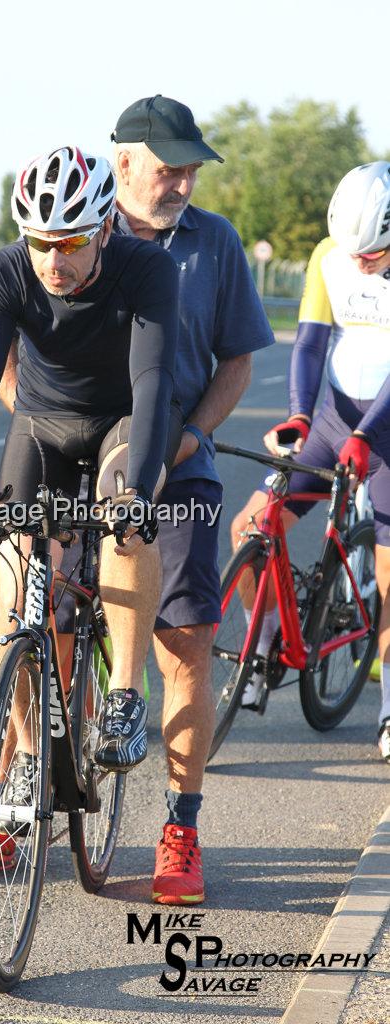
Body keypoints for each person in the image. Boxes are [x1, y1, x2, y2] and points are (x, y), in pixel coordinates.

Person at [0, 96, 275, 904]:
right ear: (122, 163)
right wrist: (44, 429)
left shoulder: (213, 244)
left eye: (190, 167)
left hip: (174, 466)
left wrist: (188, 440)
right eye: (168, 166)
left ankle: (180, 826)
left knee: (183, 638)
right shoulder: (66, 224)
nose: (182, 180)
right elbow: (3, 354)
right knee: (31, 617)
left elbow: (234, 365)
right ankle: (15, 800)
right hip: (71, 454)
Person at [0, 145, 181, 881]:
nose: (51, 261)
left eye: (67, 243)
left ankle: (122, 693)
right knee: (17, 588)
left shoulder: (146, 269)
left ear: (101, 231)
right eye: (38, 243)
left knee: (126, 521)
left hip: (123, 419)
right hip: (41, 425)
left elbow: (153, 378)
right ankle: (27, 757)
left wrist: (136, 489)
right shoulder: (4, 272)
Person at [230, 161, 390, 764]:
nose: (359, 262)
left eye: (373, 253)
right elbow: (311, 341)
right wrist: (300, 414)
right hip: (334, 420)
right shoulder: (331, 253)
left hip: (389, 432)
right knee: (250, 525)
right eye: (353, 251)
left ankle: (388, 708)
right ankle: (262, 643)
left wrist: (369, 434)